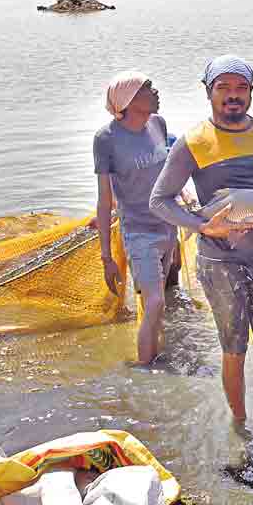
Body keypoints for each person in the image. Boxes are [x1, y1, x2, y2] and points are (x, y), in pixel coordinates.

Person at [149, 55, 253, 424]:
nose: (233, 96)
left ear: (251, 92)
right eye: (223, 88)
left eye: (241, 88)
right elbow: (159, 200)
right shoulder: (192, 141)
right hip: (218, 261)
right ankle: (240, 424)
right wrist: (203, 227)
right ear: (209, 92)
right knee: (235, 349)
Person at [93, 72, 175, 366]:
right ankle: (144, 371)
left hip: (168, 226)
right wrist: (107, 258)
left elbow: (166, 174)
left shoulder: (158, 124)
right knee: (154, 302)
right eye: (148, 88)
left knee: (157, 304)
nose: (156, 91)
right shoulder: (106, 139)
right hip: (139, 232)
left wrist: (185, 199)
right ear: (129, 99)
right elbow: (104, 200)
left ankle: (156, 358)